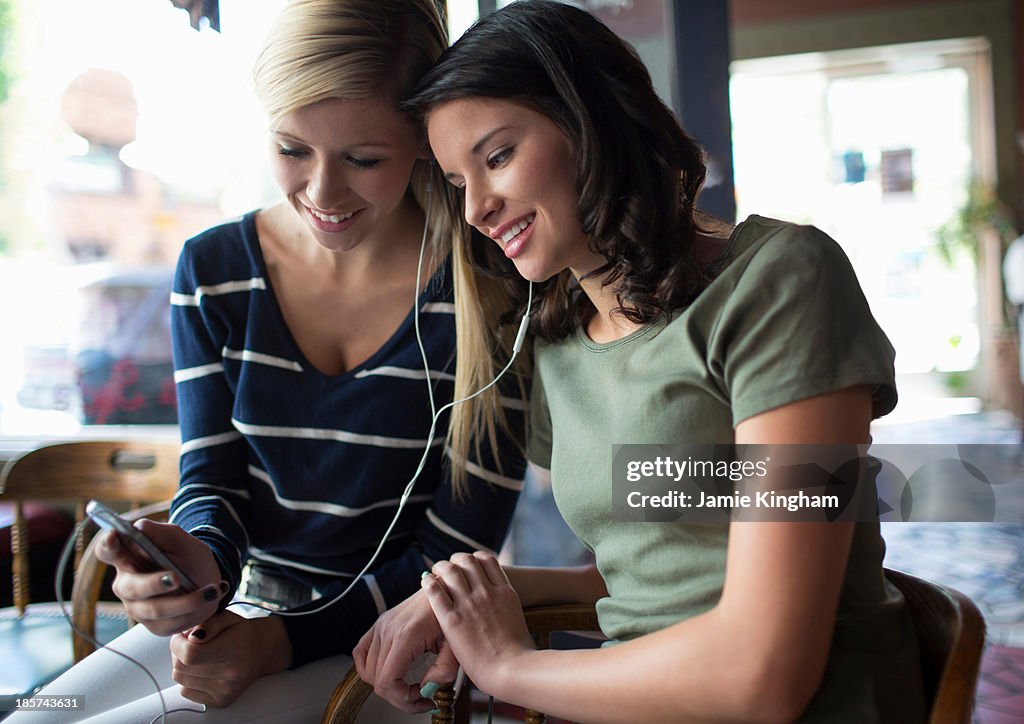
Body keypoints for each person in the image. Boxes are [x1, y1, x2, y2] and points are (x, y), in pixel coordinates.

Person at [355, 2, 927, 722]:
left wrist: (508, 666)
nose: (478, 210)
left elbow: (765, 674)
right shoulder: (560, 345)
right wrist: (465, 593)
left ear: (592, 123)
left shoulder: (780, 282)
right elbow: (661, 577)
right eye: (459, 183)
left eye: (497, 156)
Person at [14, 1, 527, 722]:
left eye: (364, 159)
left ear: (423, 140)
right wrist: (194, 567)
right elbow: (213, 481)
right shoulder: (214, 269)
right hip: (249, 617)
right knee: (41, 715)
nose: (322, 193)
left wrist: (279, 643)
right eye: (292, 150)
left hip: (402, 651)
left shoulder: (490, 288)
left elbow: (455, 551)